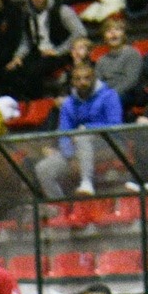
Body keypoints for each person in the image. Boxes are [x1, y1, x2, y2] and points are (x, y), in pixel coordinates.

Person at [34, 62, 123, 198]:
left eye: (87, 78)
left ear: (94, 78)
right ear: (72, 82)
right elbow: (64, 133)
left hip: (108, 144)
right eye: (78, 79)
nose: (83, 82)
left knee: (82, 135)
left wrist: (87, 129)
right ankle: (58, 205)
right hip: (76, 150)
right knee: (43, 168)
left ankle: (86, 183)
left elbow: (115, 126)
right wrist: (70, 155)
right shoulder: (68, 104)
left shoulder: (110, 96)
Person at [5, 0, 86, 101]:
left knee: (33, 72)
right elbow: (26, 41)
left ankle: (36, 103)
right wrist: (18, 57)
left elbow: (80, 33)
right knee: (11, 71)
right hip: (38, 53)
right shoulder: (28, 16)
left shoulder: (62, 11)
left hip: (60, 52)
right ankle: (21, 104)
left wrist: (58, 50)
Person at [95, 14, 144, 109]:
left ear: (123, 34)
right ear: (104, 36)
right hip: (106, 94)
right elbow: (98, 83)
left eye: (117, 30)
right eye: (109, 31)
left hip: (129, 93)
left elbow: (131, 81)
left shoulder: (132, 53)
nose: (113, 33)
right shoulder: (101, 60)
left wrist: (110, 95)